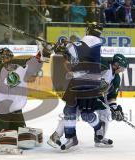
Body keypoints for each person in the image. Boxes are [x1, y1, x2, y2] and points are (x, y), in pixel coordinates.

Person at [48, 53, 129, 150]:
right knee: (72, 114)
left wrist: (115, 109)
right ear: (116, 65)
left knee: (106, 112)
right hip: (80, 91)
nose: (122, 70)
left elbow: (111, 97)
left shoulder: (116, 78)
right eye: (122, 68)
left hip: (95, 96)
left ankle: (99, 137)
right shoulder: (103, 64)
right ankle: (57, 134)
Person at [48, 22, 108, 150]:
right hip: (80, 80)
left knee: (85, 113)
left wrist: (65, 46)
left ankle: (98, 129)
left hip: (88, 82)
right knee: (70, 109)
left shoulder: (94, 39)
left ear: (89, 30)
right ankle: (71, 137)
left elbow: (79, 48)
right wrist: (63, 50)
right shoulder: (86, 44)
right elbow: (74, 58)